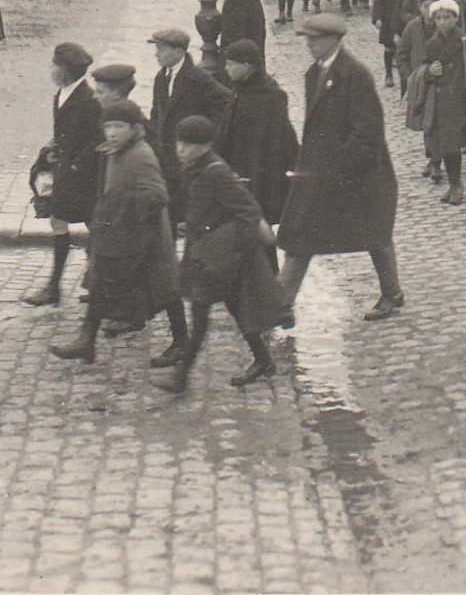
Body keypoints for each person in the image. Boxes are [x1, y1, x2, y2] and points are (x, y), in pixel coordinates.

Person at [276, 13, 404, 324]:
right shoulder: (314, 73)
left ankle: (392, 293)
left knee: (376, 233)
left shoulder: (355, 74)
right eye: (307, 39)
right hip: (322, 171)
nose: (309, 44)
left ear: (334, 40)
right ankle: (280, 304)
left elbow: (368, 132)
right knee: (301, 234)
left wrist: (338, 168)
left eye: (315, 39)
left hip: (359, 174)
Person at [156, 115, 285, 393]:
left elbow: (249, 212)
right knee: (236, 308)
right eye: (179, 142)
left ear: (205, 146)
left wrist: (224, 245)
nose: (181, 149)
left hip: (216, 258)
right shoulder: (195, 167)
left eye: (189, 144)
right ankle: (263, 360)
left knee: (200, 316)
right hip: (205, 256)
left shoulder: (216, 171)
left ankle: (182, 375)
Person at [49, 100, 183, 364]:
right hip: (122, 235)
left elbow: (157, 196)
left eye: (119, 126)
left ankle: (182, 342)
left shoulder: (140, 155)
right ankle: (87, 340)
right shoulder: (118, 150)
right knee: (100, 280)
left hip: (146, 236)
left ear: (134, 128)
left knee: (165, 289)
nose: (111, 132)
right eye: (108, 126)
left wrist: (121, 208)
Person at [24, 43, 102, 307]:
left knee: (96, 227)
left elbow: (95, 141)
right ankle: (56, 285)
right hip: (66, 174)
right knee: (60, 221)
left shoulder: (88, 100)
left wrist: (76, 166)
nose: (51, 70)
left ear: (66, 70)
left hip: (83, 178)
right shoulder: (63, 94)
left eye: (55, 65)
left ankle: (96, 284)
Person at [147, 28, 234, 226]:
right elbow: (156, 114)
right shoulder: (161, 78)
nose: (156, 54)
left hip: (188, 157)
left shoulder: (198, 78)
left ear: (179, 52)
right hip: (167, 157)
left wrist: (204, 136)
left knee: (189, 215)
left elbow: (226, 103)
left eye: (161, 49)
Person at [217, 40, 300, 231]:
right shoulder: (240, 90)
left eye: (231, 64)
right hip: (238, 173)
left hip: (259, 178)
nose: (226, 69)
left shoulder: (270, 98)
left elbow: (277, 144)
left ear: (247, 67)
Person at [419, 0, 466, 205]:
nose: (443, 22)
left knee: (452, 144)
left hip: (458, 100)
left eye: (447, 18)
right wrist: (430, 73)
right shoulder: (432, 44)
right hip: (439, 100)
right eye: (438, 18)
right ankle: (454, 184)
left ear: (456, 18)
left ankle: (457, 185)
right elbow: (423, 69)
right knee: (444, 144)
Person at [371, 0, 411, 89]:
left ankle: (404, 77)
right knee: (389, 48)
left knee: (403, 49)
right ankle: (388, 74)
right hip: (387, 21)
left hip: (401, 22)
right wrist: (377, 18)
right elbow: (378, 3)